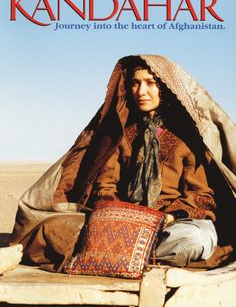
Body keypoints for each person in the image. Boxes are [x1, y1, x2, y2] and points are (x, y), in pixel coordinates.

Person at [10, 55, 236, 271]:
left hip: (170, 225)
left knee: (198, 238)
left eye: (150, 83)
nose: (142, 91)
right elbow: (106, 186)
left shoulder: (187, 138)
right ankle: (127, 255)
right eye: (135, 84)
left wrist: (170, 216)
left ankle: (117, 256)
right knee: (52, 230)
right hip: (123, 223)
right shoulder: (121, 135)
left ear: (164, 88)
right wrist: (118, 215)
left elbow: (201, 194)